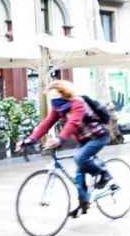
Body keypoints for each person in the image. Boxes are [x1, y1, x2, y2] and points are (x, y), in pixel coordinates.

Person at [18, 80, 112, 217]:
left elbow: (73, 122)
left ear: (63, 93)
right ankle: (83, 203)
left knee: (79, 158)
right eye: (51, 97)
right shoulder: (59, 108)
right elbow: (46, 124)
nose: (53, 100)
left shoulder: (77, 102)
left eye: (55, 96)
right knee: (79, 173)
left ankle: (104, 173)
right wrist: (30, 140)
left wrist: (60, 139)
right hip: (84, 140)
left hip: (98, 136)